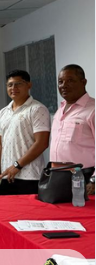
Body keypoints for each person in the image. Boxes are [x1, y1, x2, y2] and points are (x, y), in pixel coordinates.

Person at [0, 70, 50, 195]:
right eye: (10, 85)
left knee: (28, 208)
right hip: (6, 175)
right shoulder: (3, 112)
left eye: (18, 84)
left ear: (29, 85)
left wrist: (17, 165)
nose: (13, 88)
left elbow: (42, 143)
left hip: (29, 176)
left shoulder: (37, 109)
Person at [50, 64, 95, 194]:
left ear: (83, 82)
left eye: (70, 80)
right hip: (58, 176)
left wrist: (94, 180)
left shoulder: (92, 110)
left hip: (85, 178)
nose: (64, 85)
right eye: (60, 81)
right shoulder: (60, 110)